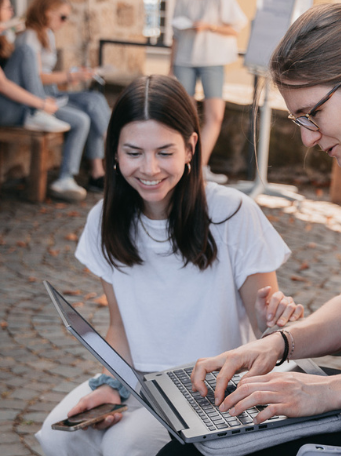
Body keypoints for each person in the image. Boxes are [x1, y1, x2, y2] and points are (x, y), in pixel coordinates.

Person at [157, 4, 341, 455]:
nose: (307, 138)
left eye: (311, 114)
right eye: (298, 121)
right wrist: (278, 345)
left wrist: (329, 392)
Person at [35, 75, 304, 456]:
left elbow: (264, 330)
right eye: (133, 152)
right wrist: (112, 385)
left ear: (191, 147)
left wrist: (273, 320)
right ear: (113, 151)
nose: (149, 168)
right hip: (139, 383)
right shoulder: (103, 219)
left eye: (164, 152)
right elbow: (119, 327)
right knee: (55, 435)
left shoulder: (232, 213)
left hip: (210, 387)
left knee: (123, 446)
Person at [15, 0, 110, 200]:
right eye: (63, 16)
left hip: (52, 92)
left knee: (95, 99)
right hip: (37, 98)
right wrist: (70, 76)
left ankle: (98, 171)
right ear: (47, 12)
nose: (65, 22)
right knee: (85, 115)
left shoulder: (47, 34)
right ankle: (110, 154)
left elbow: (47, 75)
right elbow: (36, 77)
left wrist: (73, 74)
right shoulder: (30, 37)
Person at [170, 0, 248, 184]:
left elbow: (235, 29)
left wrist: (209, 27)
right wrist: (170, 68)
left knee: (215, 116)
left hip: (212, 60)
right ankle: (181, 165)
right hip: (183, 61)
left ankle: (199, 168)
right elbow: (175, 36)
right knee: (184, 117)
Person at [0, 0, 69, 132]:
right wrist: (41, 103)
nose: (12, 12)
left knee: (90, 105)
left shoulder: (4, 37)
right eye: (7, 8)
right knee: (25, 50)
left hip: (15, 103)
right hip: (4, 110)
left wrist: (40, 100)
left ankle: (37, 112)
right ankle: (37, 113)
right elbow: (3, 85)